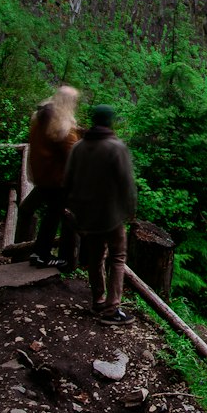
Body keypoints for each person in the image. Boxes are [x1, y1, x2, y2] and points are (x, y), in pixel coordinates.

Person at [64, 104, 137, 325]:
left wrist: (74, 209)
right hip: (111, 215)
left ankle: (98, 300)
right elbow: (127, 185)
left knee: (95, 258)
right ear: (110, 122)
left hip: (87, 215)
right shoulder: (116, 147)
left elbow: (67, 181)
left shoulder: (78, 147)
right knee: (117, 257)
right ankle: (112, 309)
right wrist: (130, 211)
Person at [17, 85, 81, 270]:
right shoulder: (62, 126)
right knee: (58, 217)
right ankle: (47, 257)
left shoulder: (40, 117)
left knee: (48, 214)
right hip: (57, 180)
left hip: (42, 176)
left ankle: (39, 254)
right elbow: (73, 156)